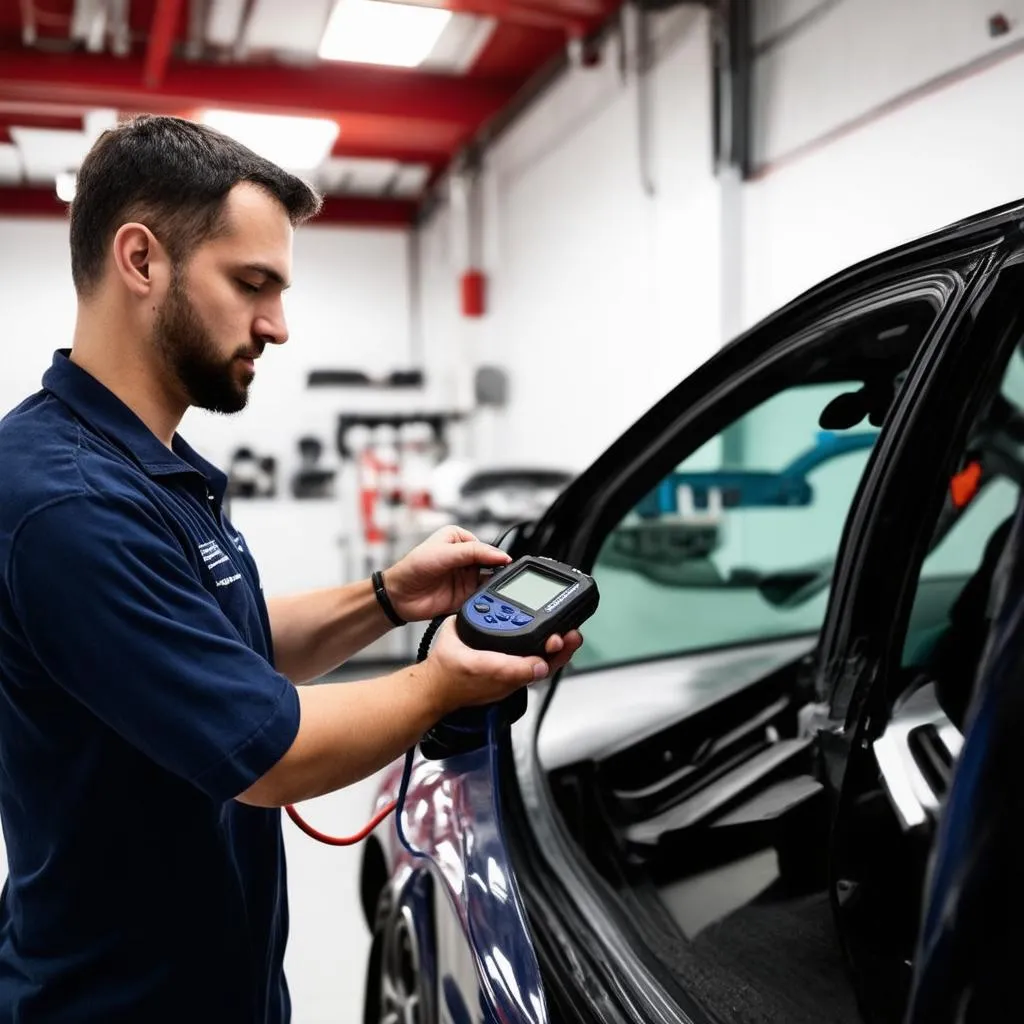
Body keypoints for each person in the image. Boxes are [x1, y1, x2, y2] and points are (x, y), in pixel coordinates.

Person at [0, 115, 583, 1023]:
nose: (276, 324)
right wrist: (440, 685)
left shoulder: (136, 468)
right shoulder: (69, 504)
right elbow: (268, 753)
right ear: (142, 261)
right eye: (252, 283)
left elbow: (218, 647)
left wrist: (387, 598)